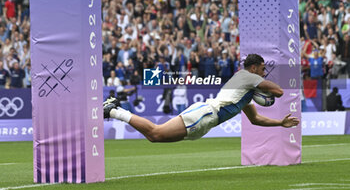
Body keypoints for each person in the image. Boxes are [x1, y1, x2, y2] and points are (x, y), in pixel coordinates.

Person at [103, 54, 300, 142]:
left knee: (155, 136)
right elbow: (279, 92)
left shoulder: (245, 90)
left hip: (206, 119)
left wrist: (279, 123)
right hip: (205, 114)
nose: (264, 73)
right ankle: (113, 110)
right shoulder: (247, 76)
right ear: (254, 67)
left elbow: (256, 119)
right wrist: (263, 86)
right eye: (263, 69)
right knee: (156, 134)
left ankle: (114, 110)